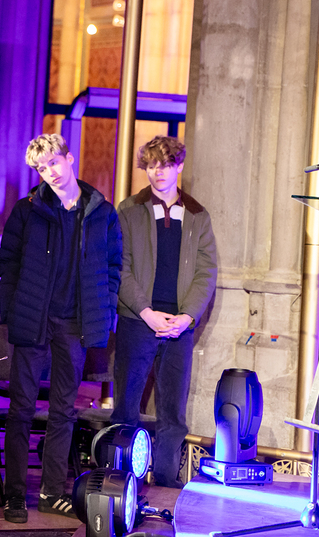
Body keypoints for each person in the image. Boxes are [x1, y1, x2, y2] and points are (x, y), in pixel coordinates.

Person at [0, 133, 122, 522]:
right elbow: (8, 263)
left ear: (69, 158)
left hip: (75, 324)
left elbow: (114, 266)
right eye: (40, 168)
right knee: (20, 410)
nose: (48, 172)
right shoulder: (27, 210)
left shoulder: (101, 212)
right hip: (33, 319)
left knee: (64, 411)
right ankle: (15, 496)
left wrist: (104, 307)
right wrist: (11, 309)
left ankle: (51, 492)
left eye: (53, 162)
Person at [112, 136, 216, 488]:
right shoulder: (129, 210)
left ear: (179, 166)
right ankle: (123, 481)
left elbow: (206, 272)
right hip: (137, 321)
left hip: (179, 326)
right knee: (126, 407)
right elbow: (120, 268)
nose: (158, 172)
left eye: (166, 165)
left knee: (172, 412)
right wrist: (146, 312)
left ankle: (167, 483)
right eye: (152, 165)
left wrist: (186, 317)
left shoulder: (198, 215)